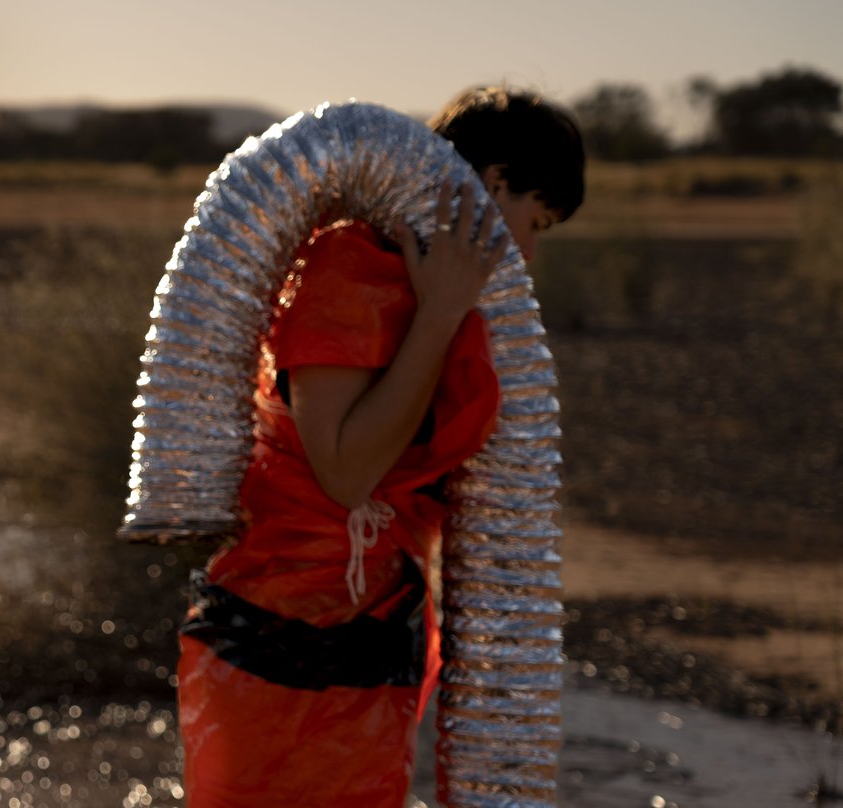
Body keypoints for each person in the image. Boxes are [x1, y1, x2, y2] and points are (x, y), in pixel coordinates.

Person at [174, 86, 585, 806]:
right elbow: (345, 472)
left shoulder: (432, 297)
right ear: (492, 184)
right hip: (281, 651)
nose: (526, 250)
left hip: (366, 649)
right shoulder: (349, 266)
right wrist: (441, 314)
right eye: (535, 220)